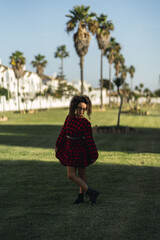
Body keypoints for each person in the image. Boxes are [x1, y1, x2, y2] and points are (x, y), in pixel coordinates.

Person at [55, 95, 100, 204]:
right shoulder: (69, 117)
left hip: (80, 150)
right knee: (71, 175)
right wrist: (57, 145)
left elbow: (90, 140)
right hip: (69, 149)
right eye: (80, 108)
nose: (81, 111)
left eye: (84, 109)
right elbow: (63, 132)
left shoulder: (86, 123)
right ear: (75, 107)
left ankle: (81, 197)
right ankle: (91, 192)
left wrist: (94, 155)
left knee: (82, 174)